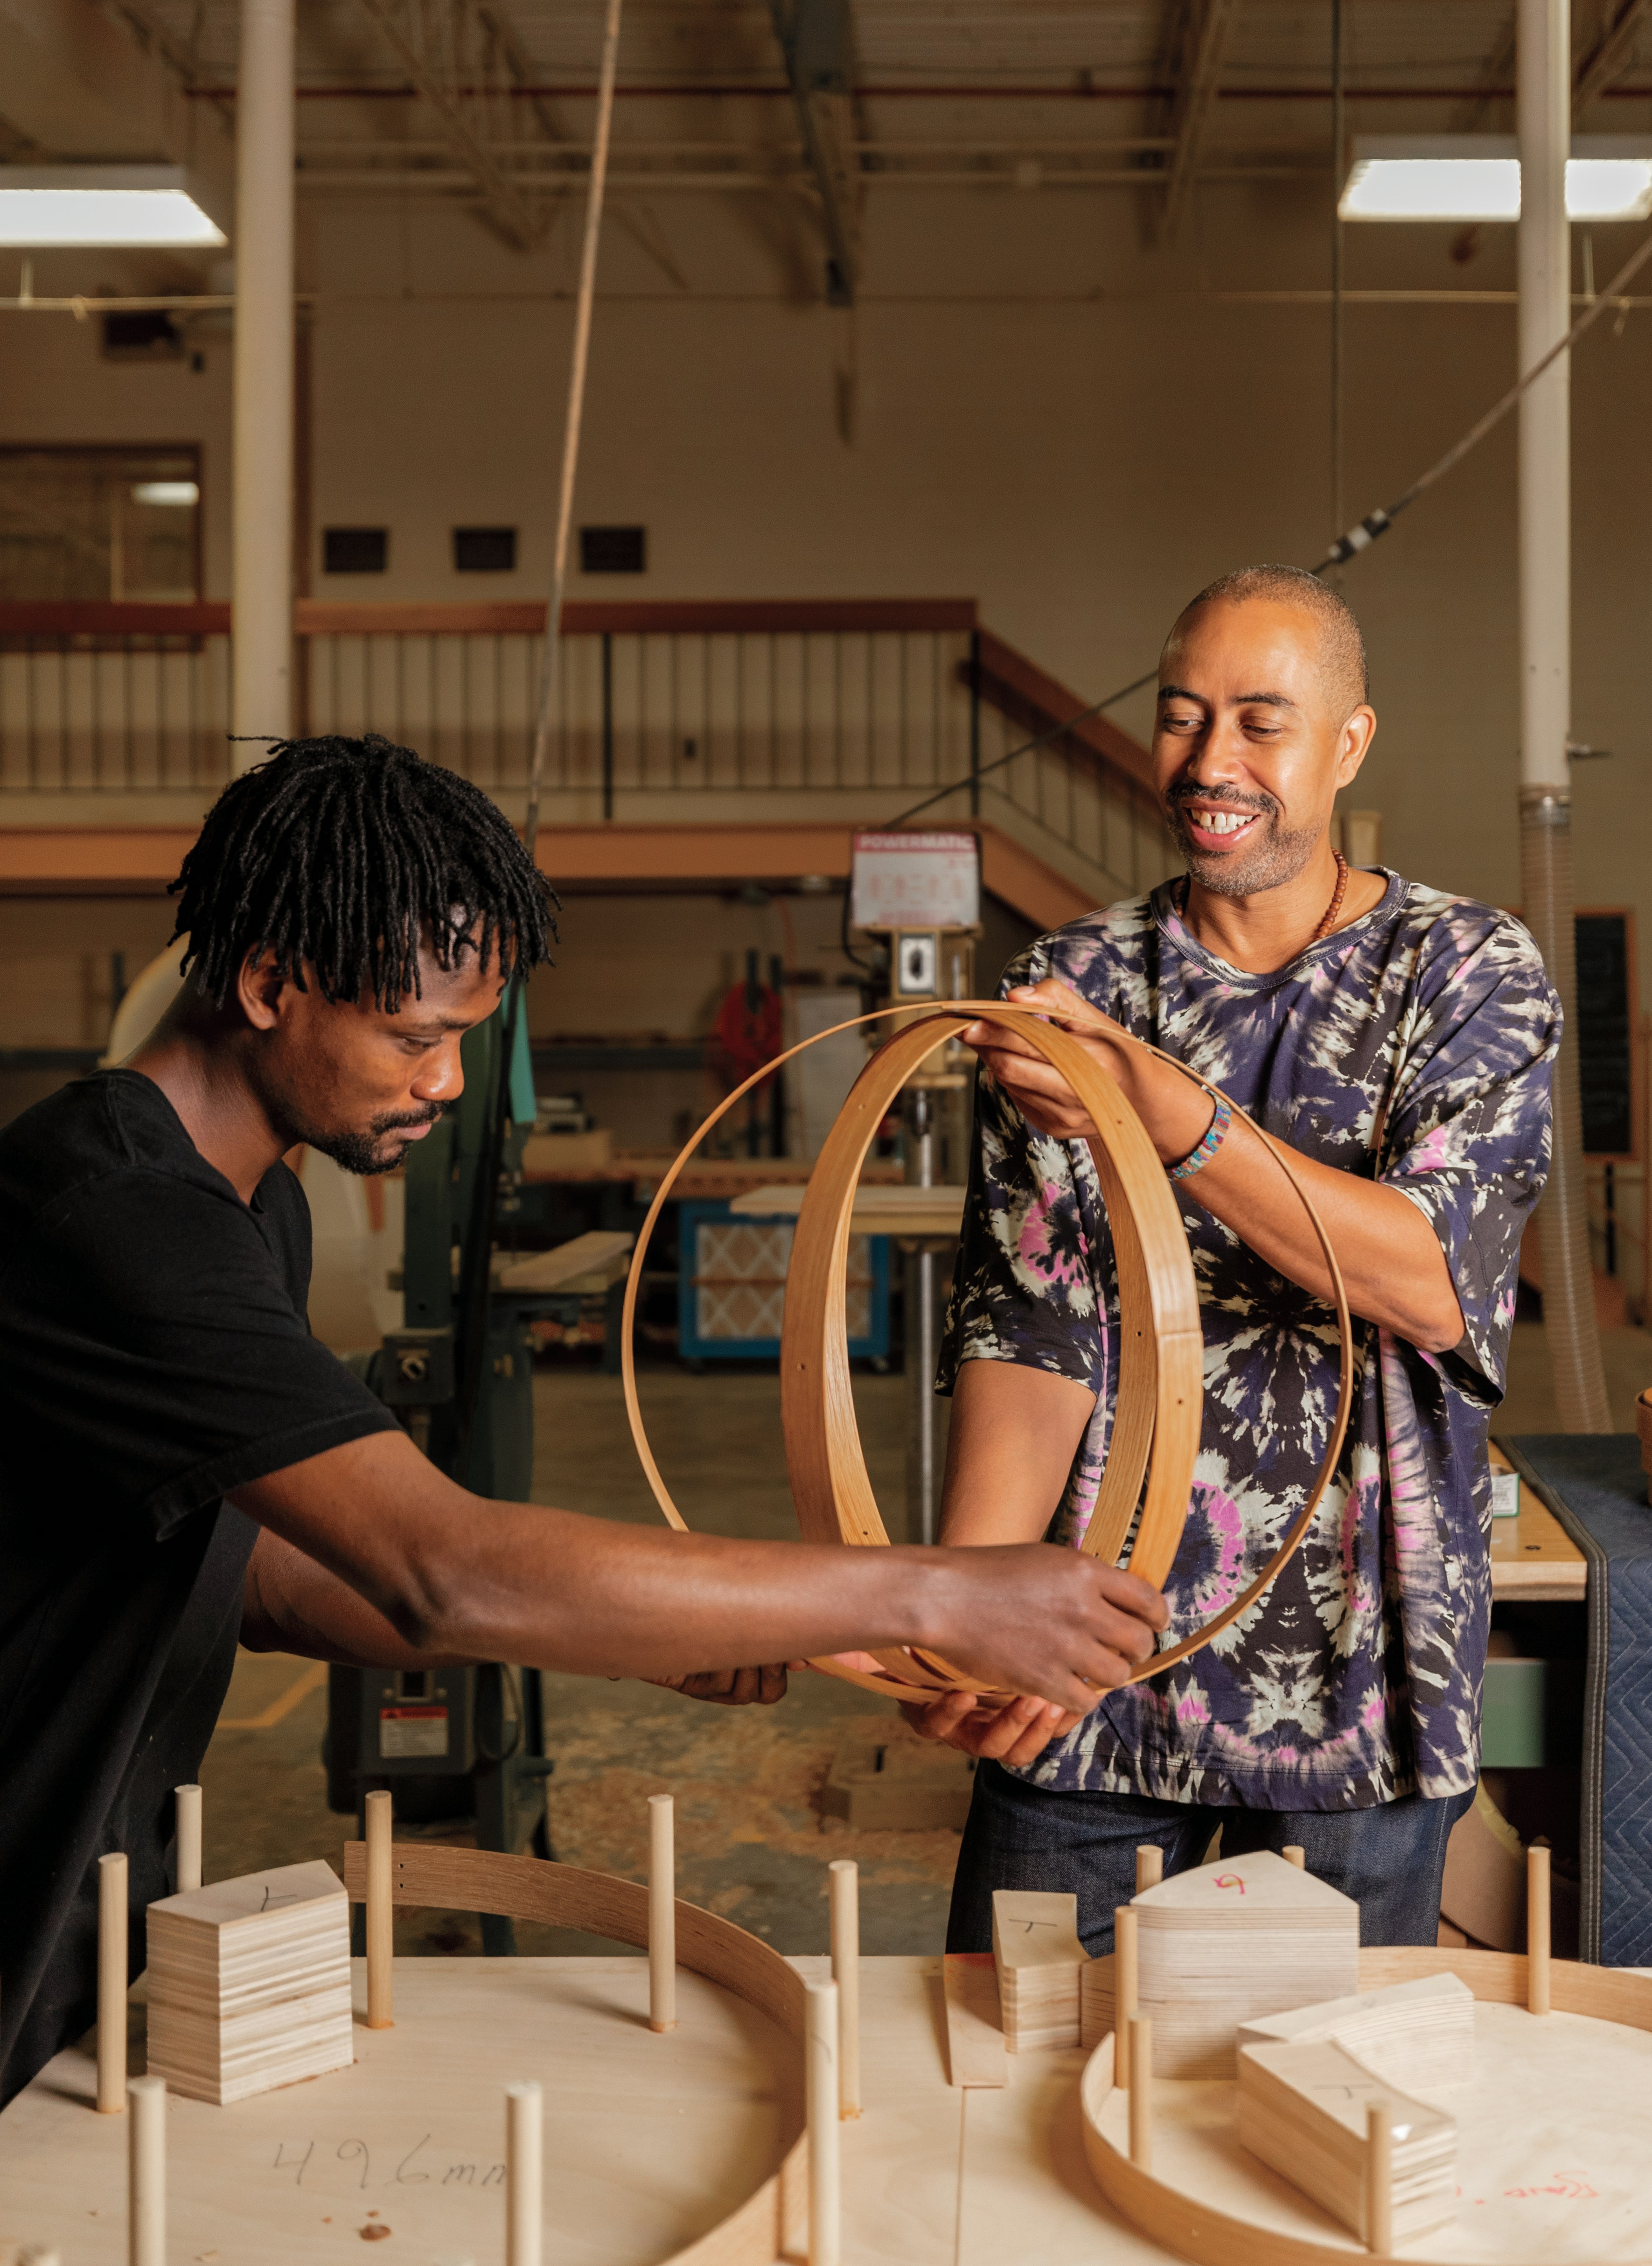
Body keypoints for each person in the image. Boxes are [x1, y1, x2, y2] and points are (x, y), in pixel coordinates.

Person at [0, 734, 1168, 2110]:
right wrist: (941, 1589)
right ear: (269, 984)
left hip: (80, 1886)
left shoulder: (251, 1203)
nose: (445, 1082)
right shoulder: (112, 1215)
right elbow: (442, 1571)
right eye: (416, 1037)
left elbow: (270, 1578)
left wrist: (665, 1623)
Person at [916, 567, 1560, 1951]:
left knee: (1314, 2122)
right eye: (1182, 717)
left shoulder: (1464, 973)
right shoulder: (1080, 984)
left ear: (1348, 743)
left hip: (1359, 1691)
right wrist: (963, 1603)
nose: (1211, 765)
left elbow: (1431, 1279)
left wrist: (1174, 1116)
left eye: (1262, 723)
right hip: (1082, 1681)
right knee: (1005, 2087)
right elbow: (1035, 1328)